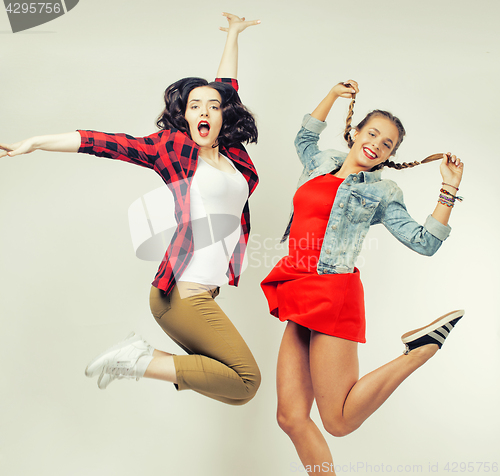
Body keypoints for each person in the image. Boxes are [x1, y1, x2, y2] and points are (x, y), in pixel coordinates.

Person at [0, 13, 261, 406]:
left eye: (213, 107)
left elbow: (226, 86)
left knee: (236, 392)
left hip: (204, 291)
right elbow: (104, 142)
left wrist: (235, 36)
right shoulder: (171, 147)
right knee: (246, 380)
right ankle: (139, 358)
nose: (204, 111)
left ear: (224, 114)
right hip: (181, 292)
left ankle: (138, 360)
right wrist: (37, 140)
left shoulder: (234, 154)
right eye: (195, 106)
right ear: (183, 115)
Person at [260, 80, 464, 474]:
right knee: (290, 417)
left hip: (332, 292)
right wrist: (334, 96)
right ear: (356, 133)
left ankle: (420, 350)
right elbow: (305, 137)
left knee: (337, 421)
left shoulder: (381, 191)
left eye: (387, 144)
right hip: (300, 288)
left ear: (389, 155)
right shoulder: (320, 163)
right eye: (373, 134)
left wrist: (448, 189)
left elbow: (424, 243)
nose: (377, 145)